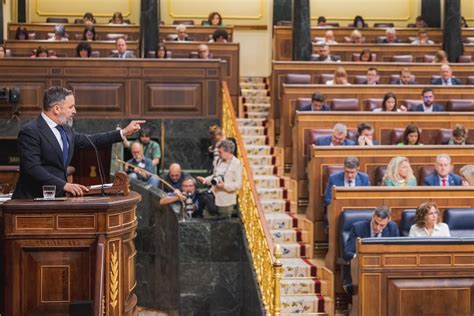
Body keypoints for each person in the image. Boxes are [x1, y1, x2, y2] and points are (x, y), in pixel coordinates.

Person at [12, 86, 143, 199]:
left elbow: (92, 140)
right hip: (30, 201)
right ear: (57, 109)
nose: (75, 111)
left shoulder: (66, 130)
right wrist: (65, 185)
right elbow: (33, 168)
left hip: (57, 199)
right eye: (71, 107)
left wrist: (123, 132)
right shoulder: (30, 131)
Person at [342, 207, 399, 294]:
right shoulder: (358, 227)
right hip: (363, 267)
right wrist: (360, 258)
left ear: (389, 221)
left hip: (384, 267)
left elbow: (396, 251)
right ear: (373, 216)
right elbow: (347, 253)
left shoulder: (392, 227)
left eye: (382, 225)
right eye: (376, 223)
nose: (377, 228)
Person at [197, 140, 242, 218]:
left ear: (228, 151)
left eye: (220, 152)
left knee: (223, 227)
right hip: (213, 197)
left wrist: (224, 186)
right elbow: (215, 175)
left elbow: (238, 184)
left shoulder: (237, 163)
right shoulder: (219, 161)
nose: (219, 155)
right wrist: (205, 180)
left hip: (226, 202)